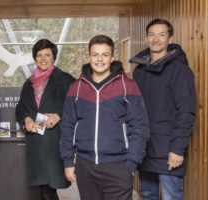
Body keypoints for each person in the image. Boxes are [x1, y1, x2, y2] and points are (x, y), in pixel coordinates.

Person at [60, 35, 150, 199]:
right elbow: (67, 126)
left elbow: (140, 126)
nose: (99, 59)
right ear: (89, 57)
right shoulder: (76, 87)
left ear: (112, 57)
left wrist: (131, 164)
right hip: (85, 165)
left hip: (119, 166)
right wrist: (68, 161)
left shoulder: (127, 85)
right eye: (95, 54)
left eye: (105, 54)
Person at [130, 18, 196, 200]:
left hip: (169, 152)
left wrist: (177, 149)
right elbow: (134, 111)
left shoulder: (180, 71)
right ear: (146, 39)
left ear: (170, 38)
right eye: (151, 34)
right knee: (147, 194)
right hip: (145, 150)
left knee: (170, 196)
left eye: (161, 34)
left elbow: (186, 112)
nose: (156, 39)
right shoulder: (139, 72)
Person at [15, 39, 75, 200]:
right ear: (35, 58)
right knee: (44, 190)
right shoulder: (29, 83)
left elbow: (78, 106)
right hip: (36, 141)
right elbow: (21, 107)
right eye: (39, 55)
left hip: (55, 141)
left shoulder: (66, 79)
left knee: (51, 188)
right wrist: (26, 119)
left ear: (53, 56)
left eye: (47, 54)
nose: (43, 58)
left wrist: (59, 115)